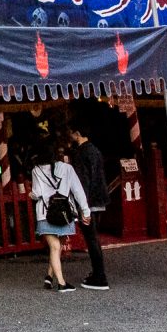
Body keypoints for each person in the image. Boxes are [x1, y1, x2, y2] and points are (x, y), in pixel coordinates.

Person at [30, 145, 89, 293]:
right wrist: (85, 210)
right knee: (57, 246)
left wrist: (32, 196)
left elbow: (36, 193)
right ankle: (61, 282)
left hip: (45, 212)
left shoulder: (36, 170)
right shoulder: (67, 168)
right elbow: (77, 189)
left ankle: (50, 278)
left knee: (54, 248)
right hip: (64, 212)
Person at [67, 124, 111, 291]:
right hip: (99, 198)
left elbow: (82, 180)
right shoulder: (95, 150)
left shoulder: (80, 153)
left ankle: (100, 276)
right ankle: (98, 273)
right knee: (94, 238)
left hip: (88, 200)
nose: (70, 136)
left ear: (77, 133)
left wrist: (82, 204)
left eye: (72, 133)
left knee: (91, 238)